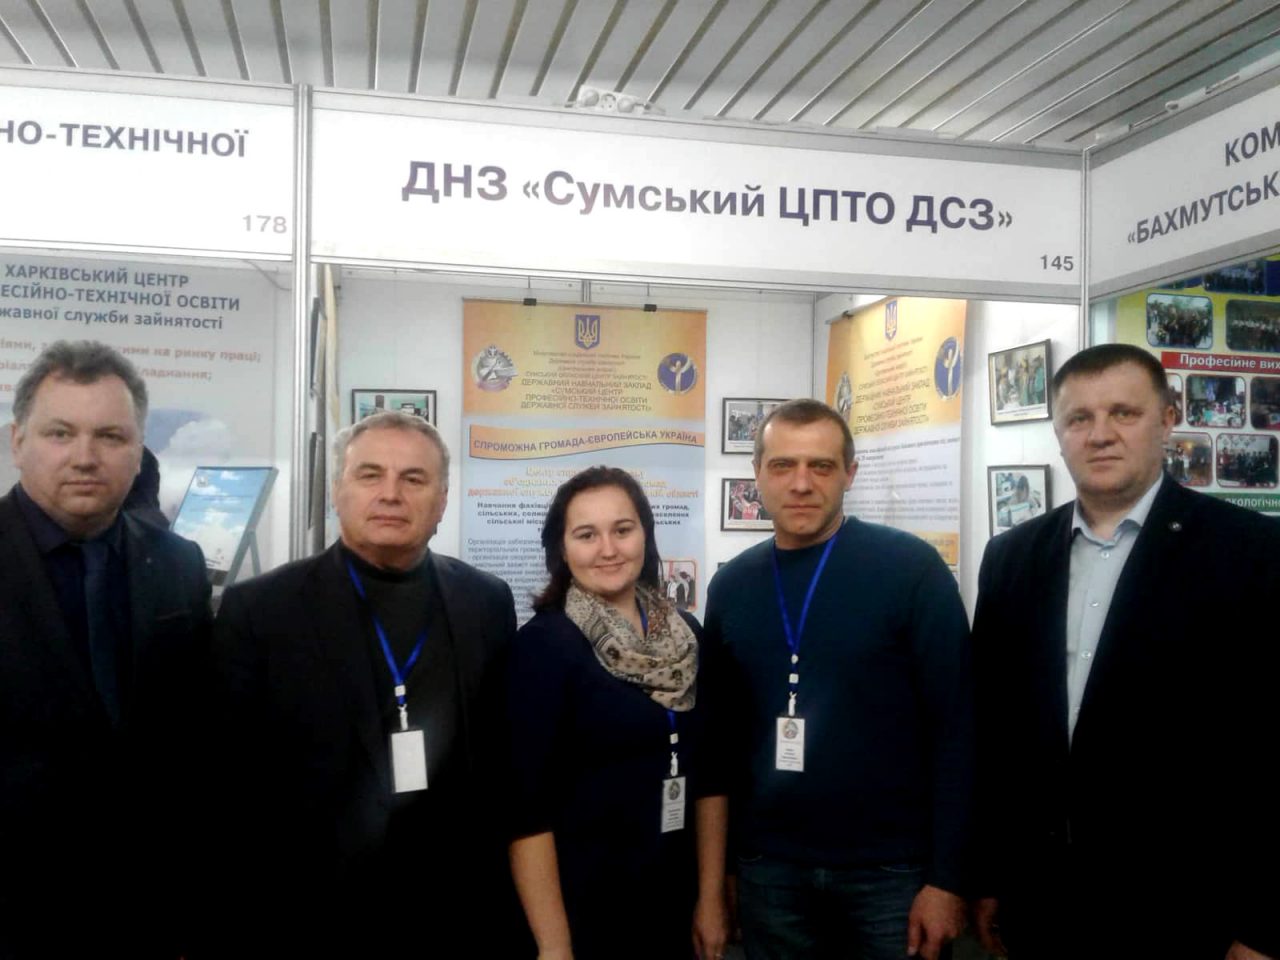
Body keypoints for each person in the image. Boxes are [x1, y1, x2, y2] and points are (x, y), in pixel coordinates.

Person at [971, 343, 1280, 960]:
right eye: (1079, 418)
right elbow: (995, 733)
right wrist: (989, 877)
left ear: (1167, 420)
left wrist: (1264, 925)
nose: (1100, 435)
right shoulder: (1012, 557)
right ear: (1059, 434)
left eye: (1123, 413)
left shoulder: (1250, 553)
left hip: (1188, 910)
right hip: (1043, 904)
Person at [208, 411, 522, 956]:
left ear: (442, 500)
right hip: (313, 915)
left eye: (414, 479)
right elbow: (227, 786)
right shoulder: (261, 610)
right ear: (338, 491)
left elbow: (498, 765)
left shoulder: (486, 602)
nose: (391, 494)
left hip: (454, 912)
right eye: (370, 474)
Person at [703, 398, 973, 960]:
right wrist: (722, 873)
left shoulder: (911, 570)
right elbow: (721, 745)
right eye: (783, 465)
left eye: (821, 466)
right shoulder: (732, 587)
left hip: (892, 874)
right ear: (757, 474)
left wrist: (948, 879)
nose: (801, 483)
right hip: (769, 871)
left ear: (850, 473)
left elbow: (959, 729)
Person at [0, 340, 211, 958]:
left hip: (146, 914)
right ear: (18, 442)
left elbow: (194, 737)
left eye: (111, 437)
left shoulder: (178, 565)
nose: (85, 457)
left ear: (139, 450)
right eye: (60, 433)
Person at [507, 466, 729, 960]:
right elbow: (527, 810)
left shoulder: (687, 635)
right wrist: (554, 946)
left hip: (674, 896)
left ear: (645, 535)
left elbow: (711, 775)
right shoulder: (543, 647)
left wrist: (711, 896)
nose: (608, 549)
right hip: (585, 907)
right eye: (586, 535)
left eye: (622, 530)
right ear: (562, 549)